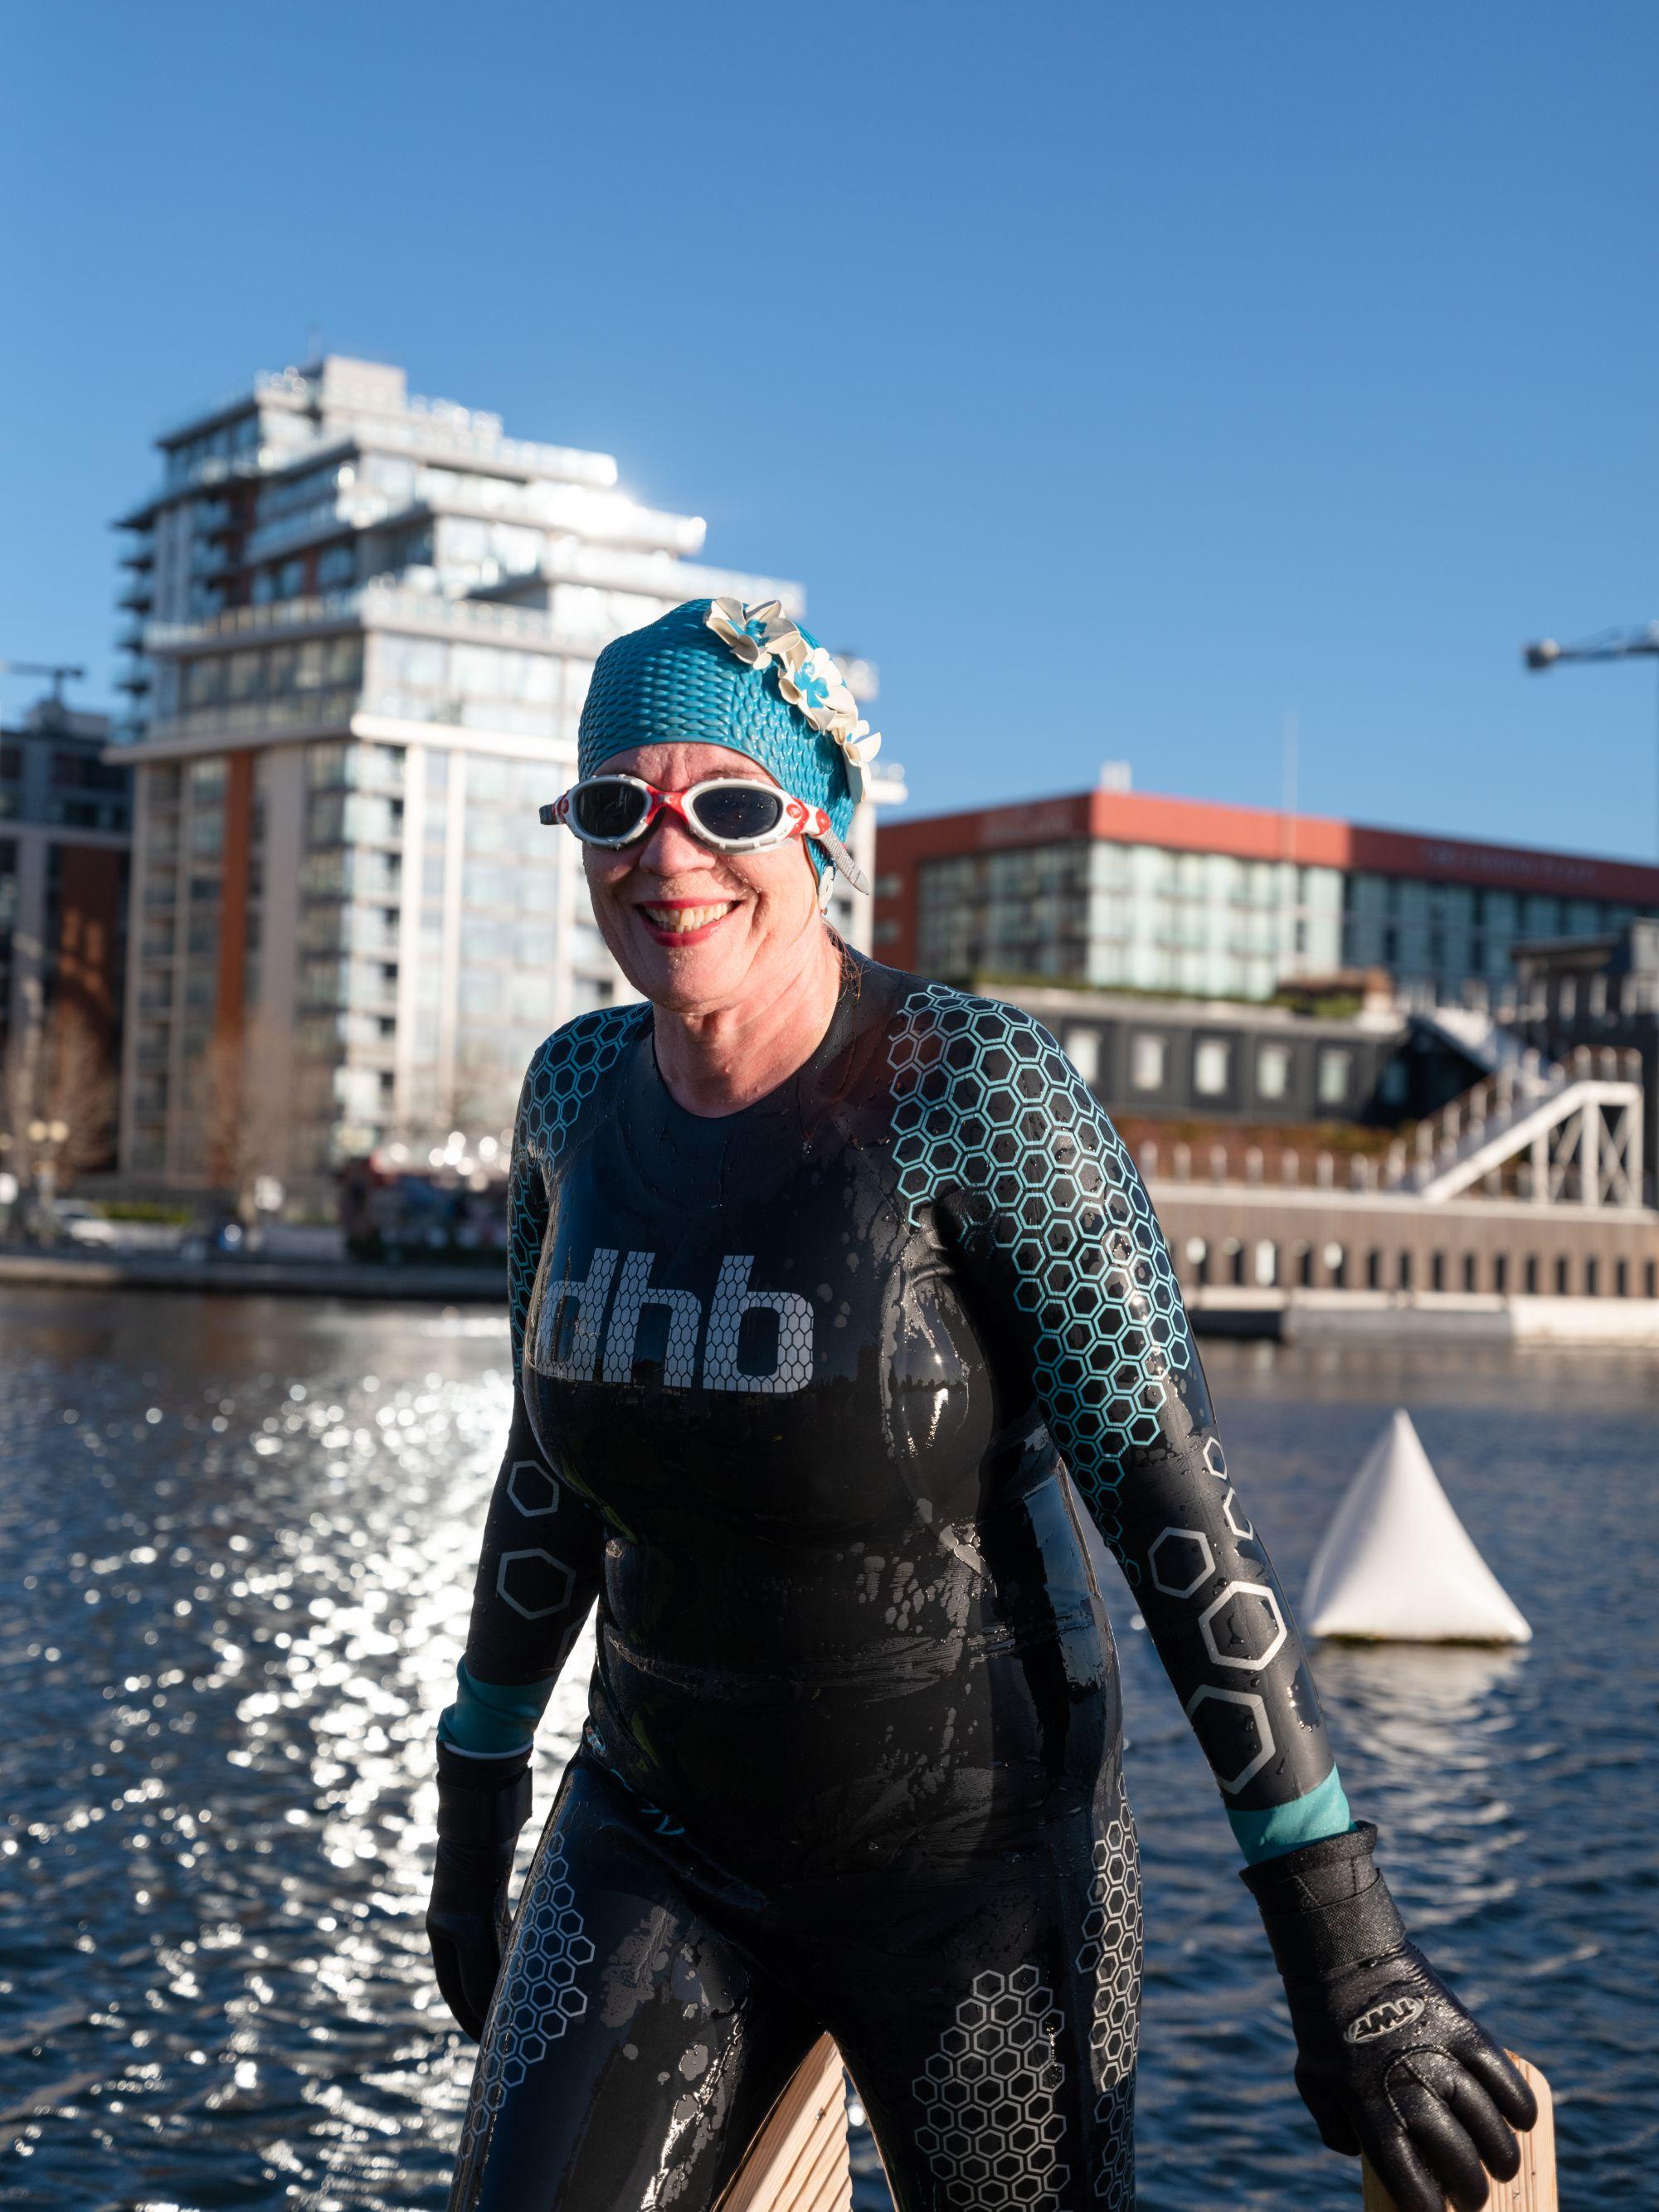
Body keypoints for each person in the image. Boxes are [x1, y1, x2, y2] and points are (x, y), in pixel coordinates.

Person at [426, 597, 1536, 2212]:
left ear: (820, 830)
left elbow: (1179, 1522)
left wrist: (1343, 1940)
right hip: (652, 1836)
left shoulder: (977, 1095)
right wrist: (476, 1794)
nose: (666, 856)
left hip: (973, 1879)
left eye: (726, 804)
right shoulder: (571, 1099)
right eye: (614, 806)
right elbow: (551, 1468)